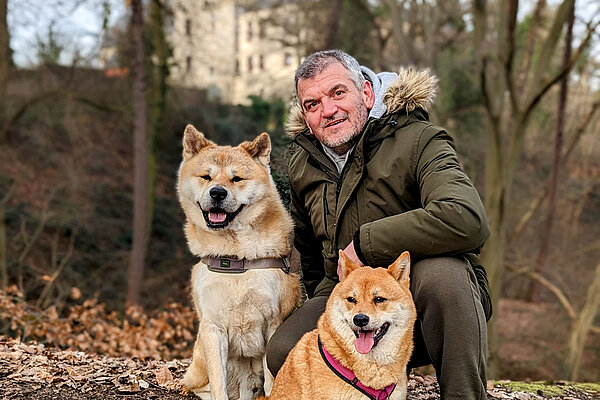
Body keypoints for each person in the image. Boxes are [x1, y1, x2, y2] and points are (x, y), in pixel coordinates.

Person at [266, 50, 492, 400]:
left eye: (338, 93)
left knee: (446, 279)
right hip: (351, 299)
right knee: (283, 350)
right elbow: (310, 253)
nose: (327, 110)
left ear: (367, 93)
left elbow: (467, 217)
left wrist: (368, 242)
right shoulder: (302, 161)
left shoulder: (419, 139)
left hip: (425, 295)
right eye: (312, 104)